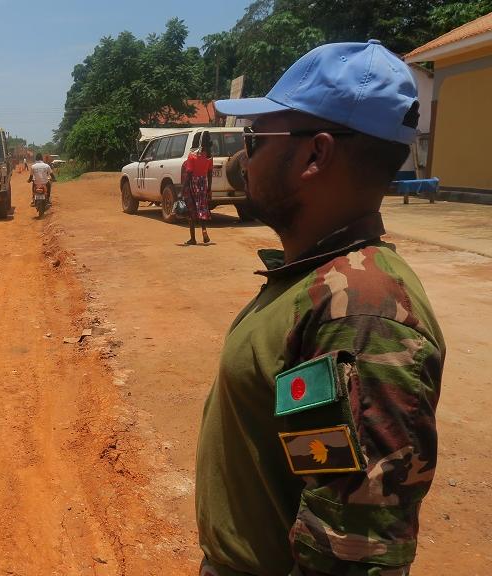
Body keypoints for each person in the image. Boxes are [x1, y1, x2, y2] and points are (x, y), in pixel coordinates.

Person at [196, 40, 443, 576]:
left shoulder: (362, 312)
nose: (243, 159)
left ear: (315, 155)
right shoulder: (323, 281)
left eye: (255, 139)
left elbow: (353, 553)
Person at [182, 134, 214, 245]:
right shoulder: (209, 157)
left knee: (191, 210)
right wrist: (209, 188)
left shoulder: (192, 156)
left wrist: (183, 189)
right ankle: (204, 231)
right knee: (202, 208)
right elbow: (210, 173)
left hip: (193, 184)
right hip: (203, 184)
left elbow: (188, 174)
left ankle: (193, 239)